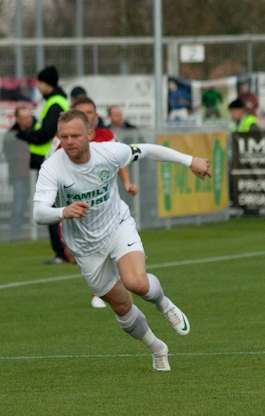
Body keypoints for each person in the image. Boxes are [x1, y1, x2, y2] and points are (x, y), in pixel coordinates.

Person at [33, 108, 211, 371]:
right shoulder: (52, 167)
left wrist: (189, 160)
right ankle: (157, 348)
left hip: (117, 228)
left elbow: (148, 150)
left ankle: (163, 304)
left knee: (135, 282)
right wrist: (63, 211)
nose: (69, 142)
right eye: (64, 136)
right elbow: (39, 212)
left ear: (90, 134)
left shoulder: (109, 152)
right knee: (121, 305)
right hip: (85, 248)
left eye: (75, 136)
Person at [71, 95, 139, 308]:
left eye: (89, 112)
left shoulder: (106, 136)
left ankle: (109, 290)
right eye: (81, 112)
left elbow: (120, 161)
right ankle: (100, 291)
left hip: (106, 206)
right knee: (87, 254)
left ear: (95, 115)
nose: (86, 116)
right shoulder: (66, 140)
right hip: (79, 208)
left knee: (112, 247)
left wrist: (127, 183)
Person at [16, 65, 69, 264]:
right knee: (55, 206)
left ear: (46, 83)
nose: (37, 86)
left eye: (39, 82)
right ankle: (65, 252)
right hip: (52, 162)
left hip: (51, 162)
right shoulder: (54, 101)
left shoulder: (55, 103)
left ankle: (62, 253)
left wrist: (28, 136)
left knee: (50, 208)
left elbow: (46, 132)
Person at [4, 107, 32, 241]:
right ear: (18, 119)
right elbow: (10, 155)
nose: (29, 120)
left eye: (29, 116)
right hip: (20, 176)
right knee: (19, 205)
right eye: (25, 117)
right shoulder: (12, 135)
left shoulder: (35, 132)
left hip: (35, 174)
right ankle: (15, 235)